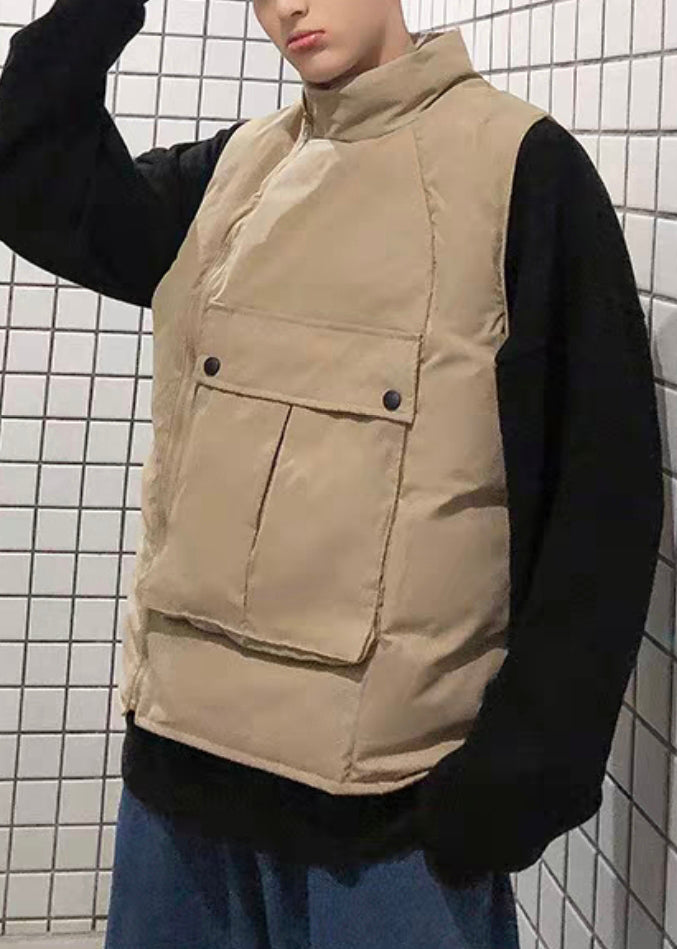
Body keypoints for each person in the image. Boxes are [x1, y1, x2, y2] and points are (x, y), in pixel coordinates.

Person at [0, 0, 663, 946]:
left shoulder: (517, 168)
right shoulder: (234, 174)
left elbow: (602, 490)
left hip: (387, 832)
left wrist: (514, 783)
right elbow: (29, 170)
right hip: (178, 795)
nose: (287, 8)